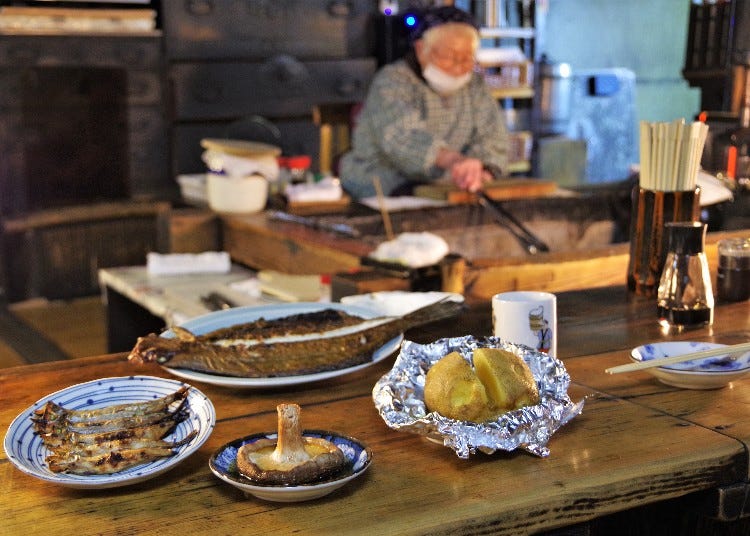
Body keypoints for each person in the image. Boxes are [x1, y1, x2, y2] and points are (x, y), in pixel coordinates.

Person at [340, 6, 509, 199]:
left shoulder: (475, 87)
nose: (458, 67)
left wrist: (483, 172)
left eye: (467, 58)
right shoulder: (392, 80)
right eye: (449, 56)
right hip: (384, 183)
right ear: (421, 49)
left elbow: (494, 137)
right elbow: (401, 137)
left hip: (449, 188)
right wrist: (454, 161)